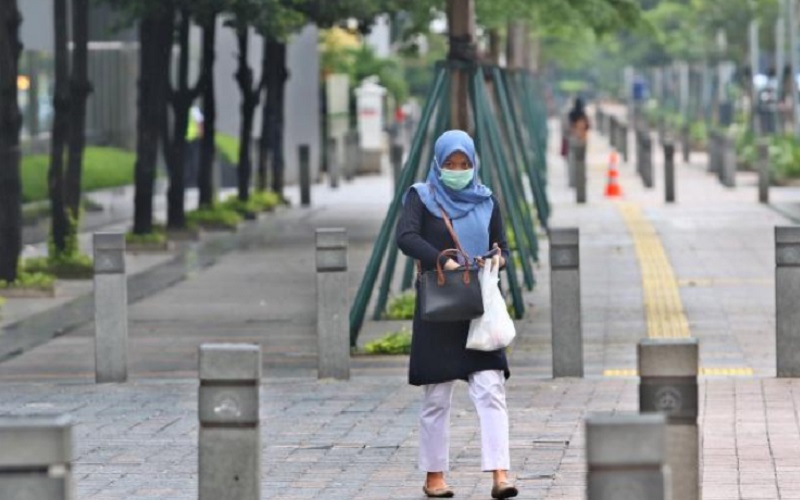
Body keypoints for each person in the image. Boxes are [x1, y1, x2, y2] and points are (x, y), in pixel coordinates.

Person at [396, 130, 518, 499]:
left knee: (491, 390)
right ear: (438, 163)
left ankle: (501, 474)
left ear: (474, 164)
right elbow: (406, 237)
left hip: (478, 305)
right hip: (440, 308)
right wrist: (440, 257)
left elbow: (503, 246)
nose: (458, 170)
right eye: (450, 164)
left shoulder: (487, 200)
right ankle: (435, 477)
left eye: (464, 164)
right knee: (436, 396)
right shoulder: (422, 196)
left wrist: (498, 258)